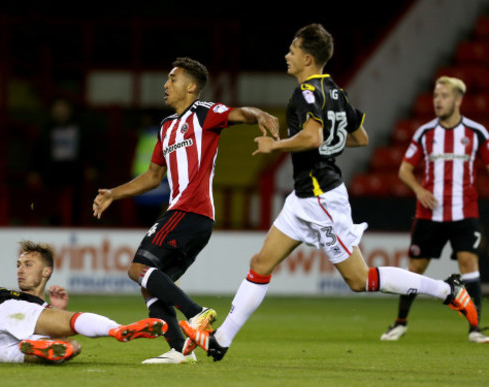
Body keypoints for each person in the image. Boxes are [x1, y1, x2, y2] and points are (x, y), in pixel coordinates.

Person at [180, 24, 480, 361]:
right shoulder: (336, 91)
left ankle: (447, 289)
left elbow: (313, 137)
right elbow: (360, 136)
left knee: (359, 278)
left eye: (292, 50)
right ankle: (220, 341)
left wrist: (274, 145)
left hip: (321, 198)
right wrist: (326, 144)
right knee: (261, 263)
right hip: (304, 197)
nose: (287, 55)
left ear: (307, 58)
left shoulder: (305, 94)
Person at [92, 57, 279, 364]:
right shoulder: (166, 128)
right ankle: (179, 351)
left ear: (191, 87)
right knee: (150, 283)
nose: (166, 85)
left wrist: (257, 112)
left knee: (137, 270)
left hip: (190, 210)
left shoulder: (204, 113)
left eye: (173, 79)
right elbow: (153, 176)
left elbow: (238, 114)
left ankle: (197, 313)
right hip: (191, 217)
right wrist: (114, 193)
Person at [0, 230, 167, 364]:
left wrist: (52, 310)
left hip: (0, 350)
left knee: (72, 347)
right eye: (18, 264)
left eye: (28, 264)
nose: (20, 269)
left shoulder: (41, 308)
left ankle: (39, 350)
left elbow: (37, 319)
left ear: (46, 272)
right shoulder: (1, 295)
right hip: (6, 317)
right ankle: (117, 330)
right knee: (71, 320)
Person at [380, 76, 489, 343]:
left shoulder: (476, 133)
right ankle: (400, 322)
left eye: (443, 96)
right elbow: (404, 170)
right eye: (435, 96)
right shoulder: (425, 133)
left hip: (465, 211)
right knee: (416, 266)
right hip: (430, 214)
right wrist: (419, 190)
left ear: (458, 100)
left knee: (468, 262)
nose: (437, 101)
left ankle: (475, 328)